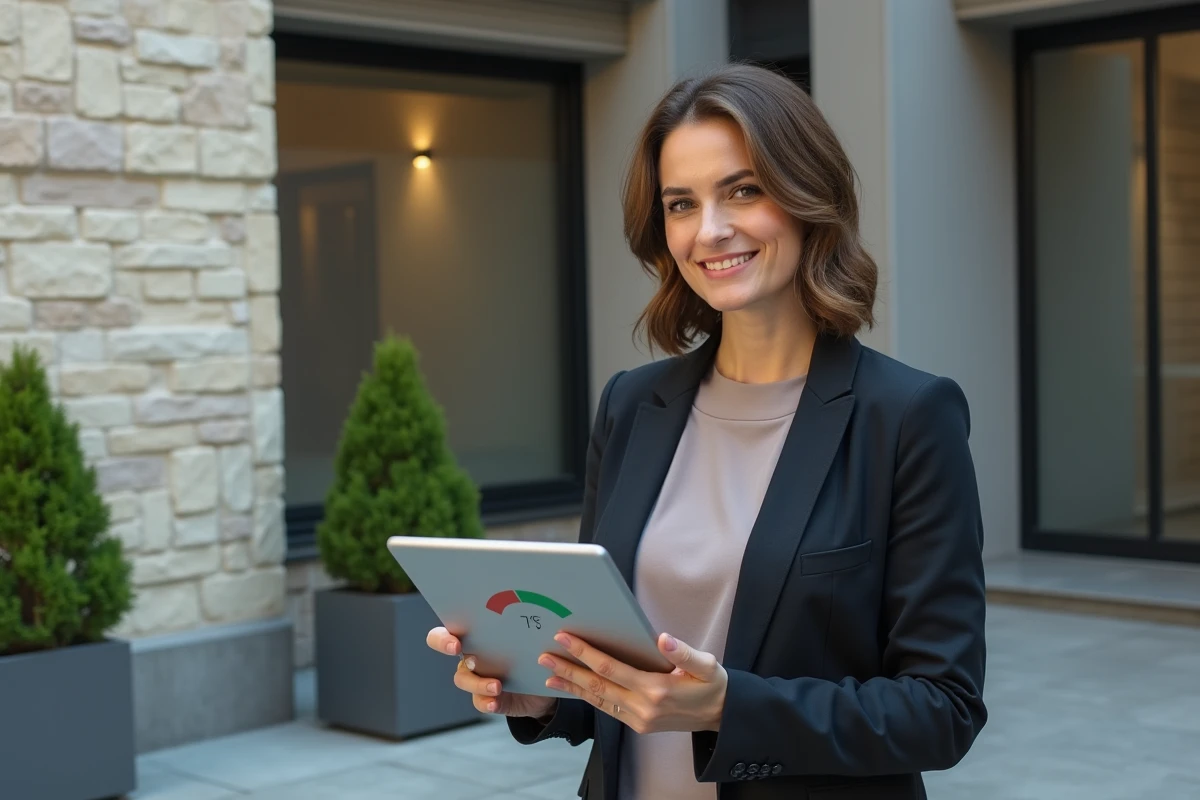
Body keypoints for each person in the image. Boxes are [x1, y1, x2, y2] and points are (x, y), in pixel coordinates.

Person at [427, 63, 987, 800]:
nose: (711, 230)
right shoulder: (631, 406)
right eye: (681, 204)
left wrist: (727, 706)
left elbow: (941, 710)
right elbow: (612, 659)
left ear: (806, 196)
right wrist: (542, 694)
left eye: (743, 190)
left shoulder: (908, 417)